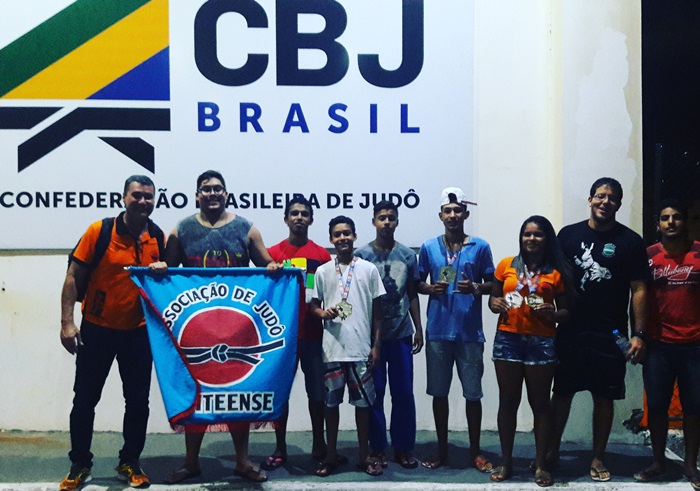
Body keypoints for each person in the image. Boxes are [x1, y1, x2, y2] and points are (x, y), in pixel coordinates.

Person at [162, 170, 279, 484]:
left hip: (237, 329)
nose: (212, 193)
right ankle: (191, 462)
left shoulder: (246, 228)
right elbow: (167, 271)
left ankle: (242, 461)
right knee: (197, 394)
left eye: (218, 189)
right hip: (196, 328)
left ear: (226, 194)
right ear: (197, 195)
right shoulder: (181, 229)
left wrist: (272, 266)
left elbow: (266, 264)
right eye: (206, 189)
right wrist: (159, 268)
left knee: (237, 392)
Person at [59, 175, 166, 491]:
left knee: (138, 402)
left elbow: (167, 285)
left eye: (148, 196)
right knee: (85, 400)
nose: (143, 201)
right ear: (123, 198)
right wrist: (66, 323)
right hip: (97, 330)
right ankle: (80, 464)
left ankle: (130, 461)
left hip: (138, 333)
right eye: (137, 195)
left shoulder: (158, 237)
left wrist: (164, 270)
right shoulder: (100, 231)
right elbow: (73, 276)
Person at [548, 177, 649, 482]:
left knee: (604, 397)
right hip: (571, 329)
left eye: (612, 198)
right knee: (562, 392)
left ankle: (598, 457)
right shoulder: (568, 235)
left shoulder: (630, 241)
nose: (606, 202)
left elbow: (639, 289)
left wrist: (638, 334)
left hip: (611, 333)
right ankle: (550, 451)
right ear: (590, 199)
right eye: (601, 196)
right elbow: (552, 278)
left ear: (619, 204)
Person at [488, 216, 572, 487]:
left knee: (540, 404)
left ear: (547, 239)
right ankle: (506, 462)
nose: (532, 239)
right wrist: (495, 303)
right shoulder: (506, 265)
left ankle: (541, 464)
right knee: (508, 402)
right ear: (521, 237)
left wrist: (553, 313)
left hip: (542, 340)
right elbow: (493, 298)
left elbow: (567, 311)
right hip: (508, 338)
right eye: (527, 234)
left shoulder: (556, 272)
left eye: (538, 234)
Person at [417, 187, 495, 472]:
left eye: (457, 210)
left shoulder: (480, 247)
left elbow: (493, 284)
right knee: (439, 394)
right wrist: (430, 288)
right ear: (440, 215)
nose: (452, 215)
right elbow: (417, 283)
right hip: (438, 332)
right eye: (447, 211)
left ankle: (475, 451)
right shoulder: (428, 247)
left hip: (470, 333)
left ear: (466, 214)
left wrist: (475, 287)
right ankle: (442, 450)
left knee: (473, 395)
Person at [310, 216, 386, 477]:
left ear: (354, 236)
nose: (342, 238)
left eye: (347, 233)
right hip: (331, 349)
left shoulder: (369, 269)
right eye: (337, 234)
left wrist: (376, 345)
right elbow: (313, 304)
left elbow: (378, 312)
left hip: (360, 349)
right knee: (331, 405)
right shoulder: (321, 271)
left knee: (363, 406)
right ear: (331, 239)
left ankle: (363, 456)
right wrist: (323, 313)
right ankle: (330, 455)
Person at [634, 199, 700, 489]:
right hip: (658, 345)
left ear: (686, 222)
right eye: (665, 218)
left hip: (695, 345)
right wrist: (638, 335)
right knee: (657, 407)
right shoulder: (647, 256)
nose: (671, 222)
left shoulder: (698, 253)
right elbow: (637, 296)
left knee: (694, 407)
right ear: (658, 224)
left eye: (676, 217)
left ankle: (690, 465)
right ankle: (658, 462)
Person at [261, 196, 331, 469]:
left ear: (311, 219)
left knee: (317, 395)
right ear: (286, 219)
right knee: (280, 395)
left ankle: (319, 445)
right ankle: (280, 448)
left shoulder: (322, 256)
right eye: (294, 213)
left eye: (304, 213)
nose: (299, 217)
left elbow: (326, 294)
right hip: (281, 339)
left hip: (313, 336)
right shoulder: (271, 254)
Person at [355, 200, 423, 469]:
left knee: (403, 392)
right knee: (375, 392)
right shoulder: (361, 255)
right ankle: (378, 447)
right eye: (381, 217)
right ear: (373, 221)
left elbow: (412, 293)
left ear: (397, 222)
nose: (386, 222)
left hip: (401, 333)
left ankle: (403, 447)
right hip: (372, 339)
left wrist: (419, 328)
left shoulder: (407, 255)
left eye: (391, 218)